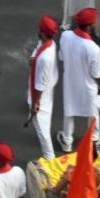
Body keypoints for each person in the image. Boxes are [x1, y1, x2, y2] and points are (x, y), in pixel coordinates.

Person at [57, 6, 100, 152]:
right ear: (89, 27)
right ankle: (94, 138)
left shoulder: (65, 36)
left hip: (70, 83)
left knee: (69, 111)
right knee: (93, 112)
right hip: (88, 87)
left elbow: (62, 57)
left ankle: (67, 140)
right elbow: (96, 73)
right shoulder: (93, 48)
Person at [27, 14, 58, 159]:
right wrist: (33, 58)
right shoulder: (48, 44)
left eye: (40, 29)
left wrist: (36, 103)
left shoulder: (45, 58)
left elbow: (40, 84)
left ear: (44, 33)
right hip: (44, 89)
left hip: (41, 95)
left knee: (41, 127)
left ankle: (49, 157)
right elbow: (37, 49)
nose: (38, 31)